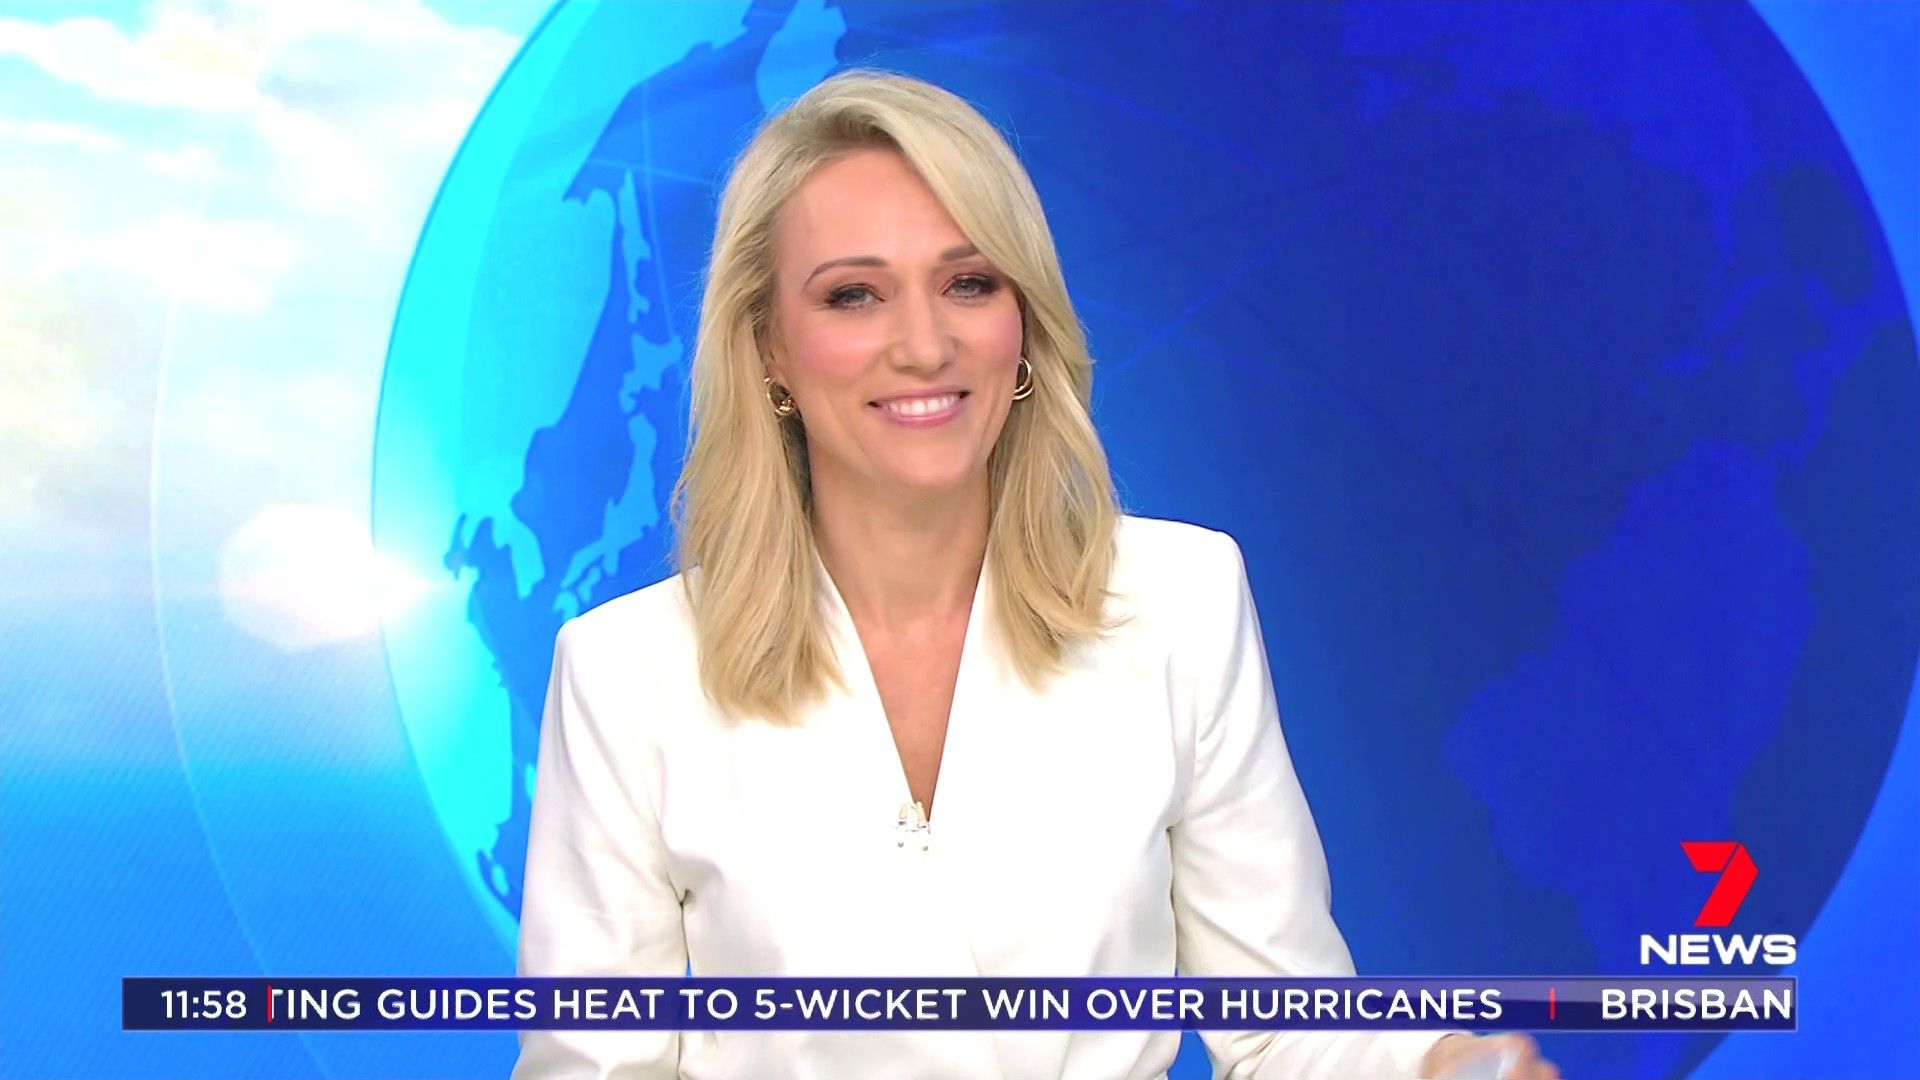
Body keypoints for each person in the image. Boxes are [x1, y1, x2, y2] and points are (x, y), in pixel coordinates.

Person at [512, 68, 1560, 1080]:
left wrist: (1432, 1064)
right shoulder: (626, 675)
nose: (925, 345)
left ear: (1022, 322)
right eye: (854, 296)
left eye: (967, 283)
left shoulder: (1180, 604)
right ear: (769, 348)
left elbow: (1284, 1032)